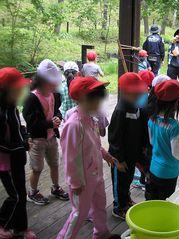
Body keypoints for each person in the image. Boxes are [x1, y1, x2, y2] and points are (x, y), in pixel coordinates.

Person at [57, 76, 120, 239]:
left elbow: (96, 145)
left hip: (96, 174)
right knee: (79, 214)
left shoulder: (91, 119)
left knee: (99, 205)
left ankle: (101, 233)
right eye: (98, 100)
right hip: (81, 181)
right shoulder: (74, 125)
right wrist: (75, 182)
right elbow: (70, 158)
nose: (100, 104)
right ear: (84, 98)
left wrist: (107, 156)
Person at [23, 59, 69, 205]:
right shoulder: (32, 98)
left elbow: (57, 111)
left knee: (54, 163)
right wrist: (50, 123)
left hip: (51, 137)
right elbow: (32, 123)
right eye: (52, 82)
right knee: (37, 168)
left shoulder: (54, 95)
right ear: (42, 81)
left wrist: (58, 117)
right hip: (37, 139)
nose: (55, 85)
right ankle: (32, 192)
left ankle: (55, 188)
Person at [0, 68, 37, 239]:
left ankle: (20, 228)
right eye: (18, 89)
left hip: (17, 160)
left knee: (21, 193)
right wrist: (21, 146)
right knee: (13, 195)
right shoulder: (1, 113)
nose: (21, 91)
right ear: (6, 90)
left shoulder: (12, 108)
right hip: (5, 162)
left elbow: (20, 127)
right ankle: (2, 224)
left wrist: (26, 137)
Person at [108, 72, 149, 219]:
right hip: (120, 157)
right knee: (119, 183)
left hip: (132, 154)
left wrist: (143, 146)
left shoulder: (136, 107)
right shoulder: (121, 110)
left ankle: (126, 200)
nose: (139, 95)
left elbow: (141, 129)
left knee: (128, 179)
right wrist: (118, 159)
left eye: (139, 93)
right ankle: (118, 207)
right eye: (135, 93)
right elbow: (114, 137)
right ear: (125, 92)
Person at [146, 80, 179, 200]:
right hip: (168, 173)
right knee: (165, 203)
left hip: (154, 167)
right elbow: (176, 153)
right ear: (175, 104)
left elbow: (152, 142)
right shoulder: (175, 127)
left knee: (152, 201)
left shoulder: (152, 120)